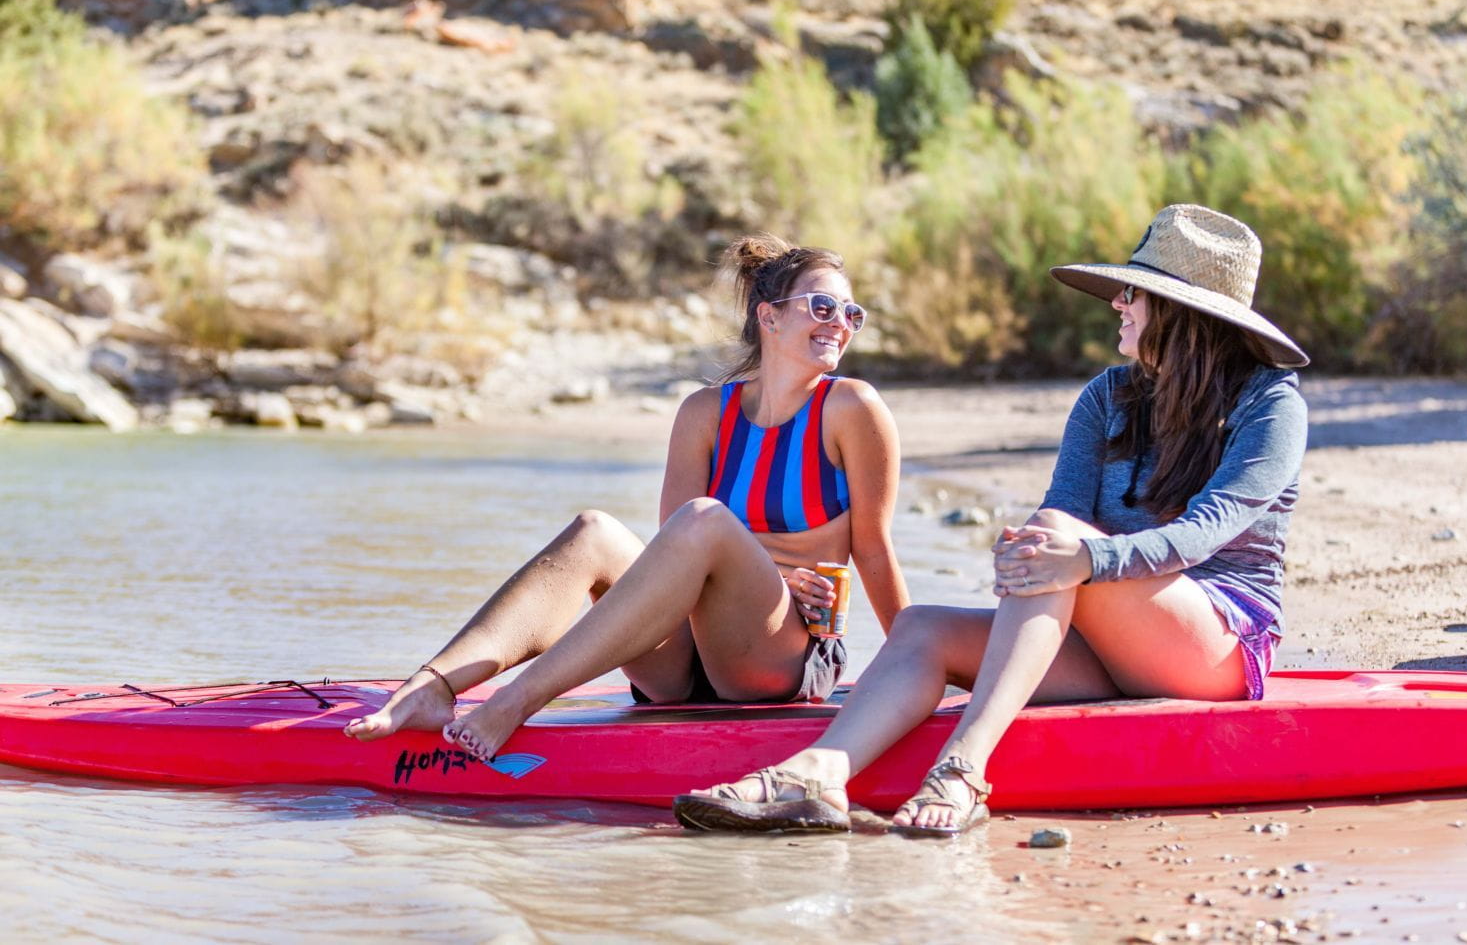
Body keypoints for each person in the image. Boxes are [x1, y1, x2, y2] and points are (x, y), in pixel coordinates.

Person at [674, 204, 1309, 836]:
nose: (1118, 302)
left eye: (1134, 293)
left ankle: (964, 768)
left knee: (1059, 538)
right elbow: (1062, 511)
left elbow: (1208, 529)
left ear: (1180, 311)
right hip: (1104, 638)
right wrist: (1026, 552)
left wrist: (1085, 558)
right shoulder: (1109, 396)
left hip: (1219, 642)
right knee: (923, 627)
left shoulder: (1271, 404)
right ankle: (815, 776)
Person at [343, 234, 910, 761]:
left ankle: (514, 701)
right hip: (685, 656)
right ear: (770, 316)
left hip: (781, 655)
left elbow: (875, 551)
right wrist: (736, 576)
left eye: (851, 313)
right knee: (595, 531)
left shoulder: (851, 408)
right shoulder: (704, 414)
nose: (840, 323)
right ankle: (433, 685)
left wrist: (916, 667)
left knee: (706, 520)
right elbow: (673, 557)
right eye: (823, 307)